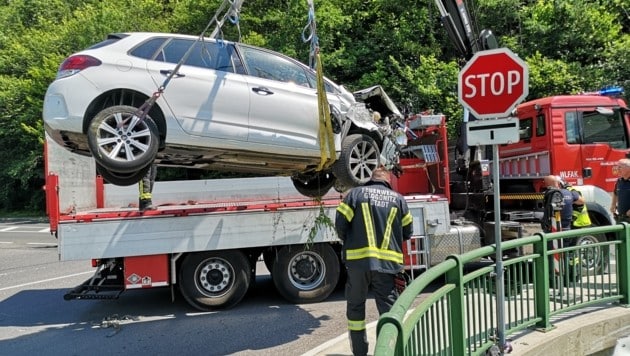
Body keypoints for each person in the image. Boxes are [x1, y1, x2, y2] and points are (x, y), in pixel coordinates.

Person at [335, 166, 413, 356]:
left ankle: (360, 352)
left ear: (372, 179)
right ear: (387, 181)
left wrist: (351, 240)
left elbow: (340, 224)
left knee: (355, 308)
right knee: (388, 310)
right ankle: (389, 350)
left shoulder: (355, 195)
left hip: (357, 263)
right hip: (387, 266)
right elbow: (407, 232)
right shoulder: (398, 199)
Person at [611, 158, 630, 223]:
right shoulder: (619, 181)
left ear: (628, 168)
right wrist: (613, 205)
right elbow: (615, 193)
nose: (617, 169)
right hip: (621, 217)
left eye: (620, 167)